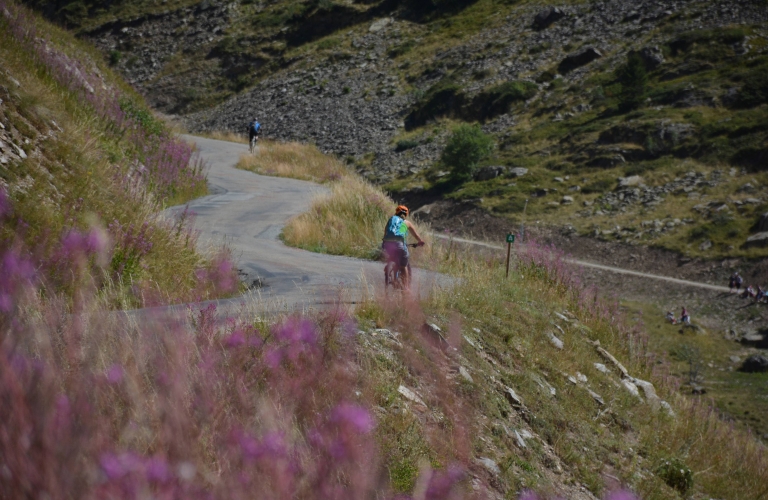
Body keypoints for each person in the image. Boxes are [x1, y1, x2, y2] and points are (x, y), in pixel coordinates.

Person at [381, 205, 424, 287]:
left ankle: (389, 266)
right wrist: (420, 241)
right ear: (406, 214)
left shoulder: (391, 219)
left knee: (391, 254)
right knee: (403, 265)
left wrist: (385, 240)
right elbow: (415, 235)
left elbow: (386, 230)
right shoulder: (407, 223)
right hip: (399, 243)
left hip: (387, 243)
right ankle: (406, 288)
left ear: (396, 212)